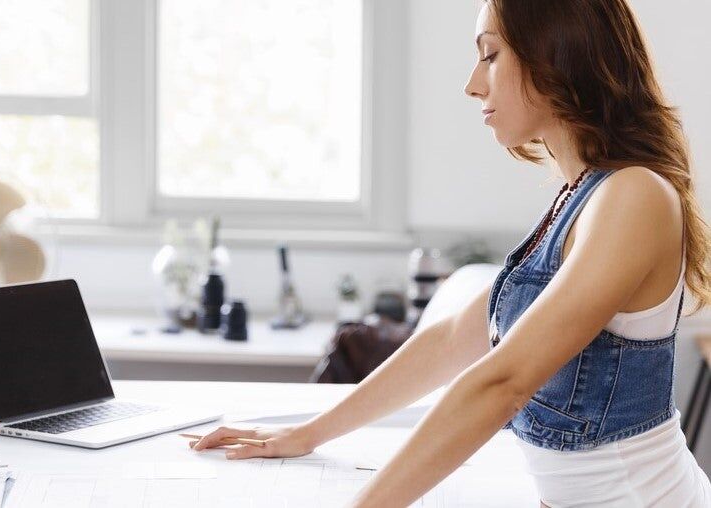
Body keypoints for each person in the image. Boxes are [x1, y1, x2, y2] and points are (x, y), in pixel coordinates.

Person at [188, 1, 711, 506]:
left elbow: (501, 381)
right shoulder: (577, 197)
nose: (472, 83)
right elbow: (453, 339)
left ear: (556, 54)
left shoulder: (635, 196)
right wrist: (307, 434)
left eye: (490, 54)